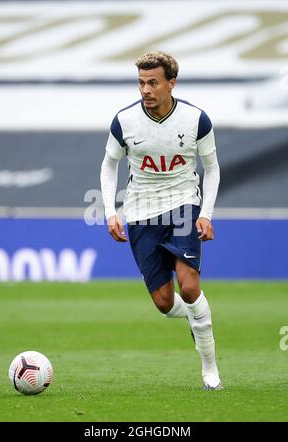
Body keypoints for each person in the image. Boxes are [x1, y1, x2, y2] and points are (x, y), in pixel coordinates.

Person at [100, 51, 223, 390]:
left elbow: (211, 168)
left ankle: (210, 369)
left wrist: (207, 214)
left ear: (172, 83)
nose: (145, 90)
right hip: (140, 214)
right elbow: (109, 164)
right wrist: (111, 211)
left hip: (184, 206)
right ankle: (198, 316)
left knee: (189, 286)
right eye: (141, 82)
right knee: (165, 302)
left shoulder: (196, 119)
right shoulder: (124, 122)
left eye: (153, 82)